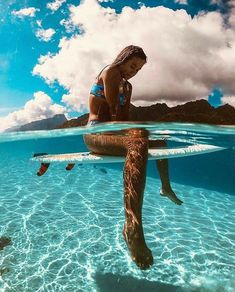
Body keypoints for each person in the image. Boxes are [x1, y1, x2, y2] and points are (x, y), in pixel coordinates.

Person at [73, 45, 183, 269]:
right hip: (95, 134)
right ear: (122, 59)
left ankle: (165, 187)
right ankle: (132, 226)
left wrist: (139, 130)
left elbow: (124, 118)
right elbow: (113, 113)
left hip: (113, 133)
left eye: (138, 69)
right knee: (138, 140)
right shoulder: (111, 72)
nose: (134, 71)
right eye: (132, 65)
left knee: (160, 141)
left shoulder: (128, 85)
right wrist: (136, 133)